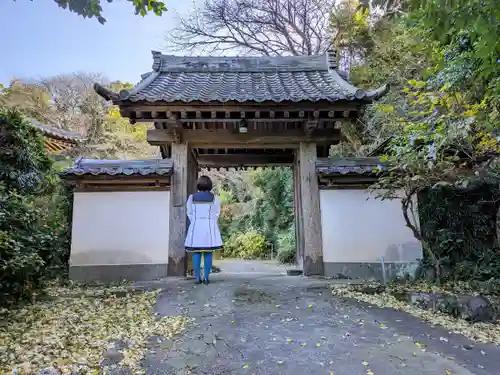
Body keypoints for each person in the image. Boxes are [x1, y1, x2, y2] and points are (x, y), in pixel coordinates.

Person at [185, 175, 223, 284]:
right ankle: (206, 277)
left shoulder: (192, 197)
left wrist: (195, 221)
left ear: (198, 184)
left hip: (196, 226)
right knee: (208, 252)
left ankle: (197, 278)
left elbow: (189, 212)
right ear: (210, 185)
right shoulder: (214, 198)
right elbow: (216, 213)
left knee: (196, 252)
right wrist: (210, 221)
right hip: (209, 227)